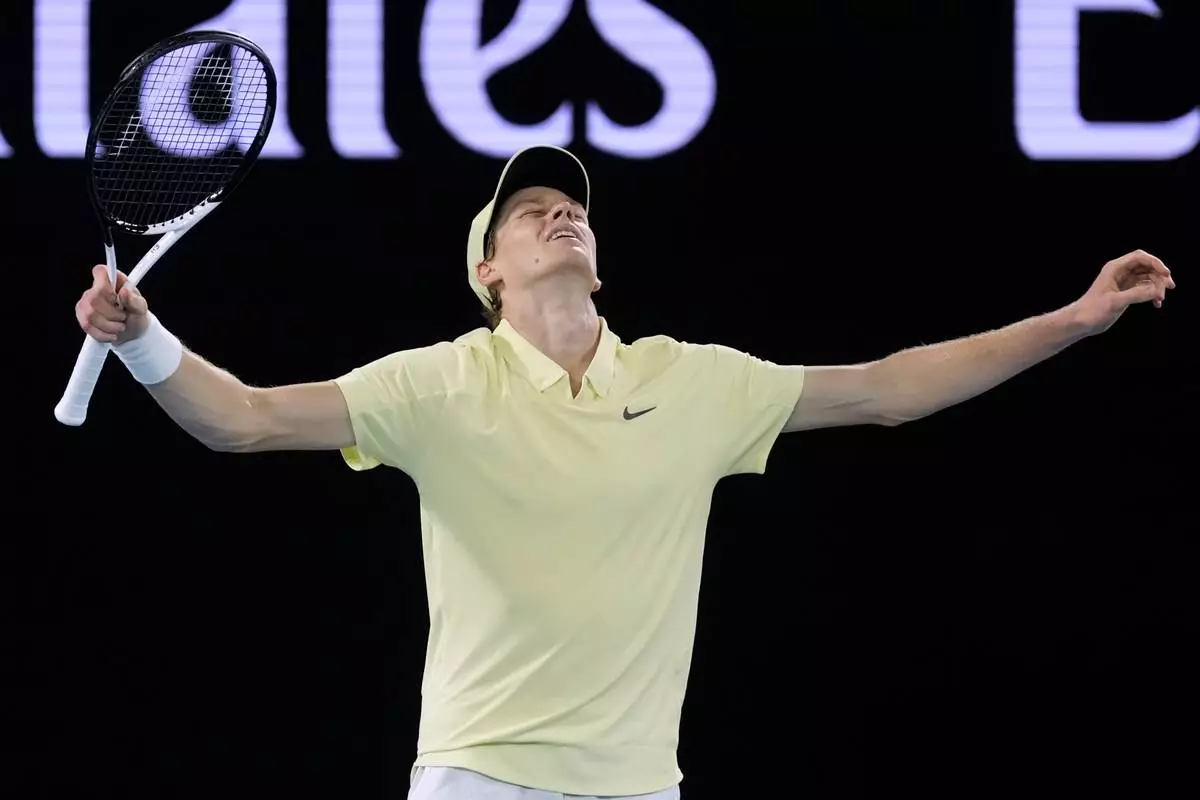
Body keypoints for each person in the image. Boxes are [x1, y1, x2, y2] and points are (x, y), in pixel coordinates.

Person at [73, 144, 1175, 799]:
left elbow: (888, 388)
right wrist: (144, 341)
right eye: (529, 212)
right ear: (489, 271)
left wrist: (1071, 321)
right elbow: (245, 421)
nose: (562, 214)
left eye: (574, 210)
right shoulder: (438, 382)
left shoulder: (690, 381)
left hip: (640, 783)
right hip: (480, 775)